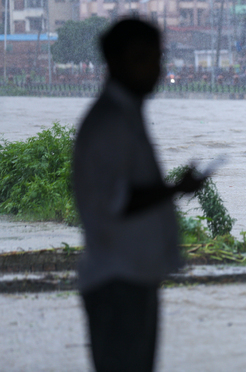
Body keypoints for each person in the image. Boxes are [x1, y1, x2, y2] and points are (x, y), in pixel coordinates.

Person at [73, 19, 207, 372]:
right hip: (117, 281)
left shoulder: (126, 116)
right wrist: (176, 189)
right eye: (143, 58)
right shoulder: (110, 123)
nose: (155, 70)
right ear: (116, 62)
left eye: (157, 58)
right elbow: (118, 201)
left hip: (133, 277)